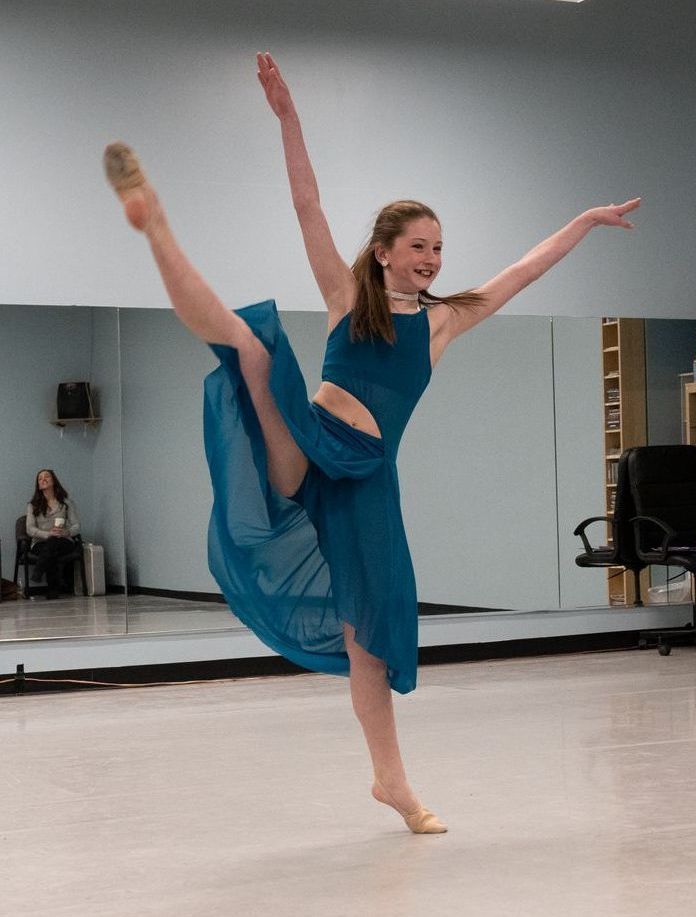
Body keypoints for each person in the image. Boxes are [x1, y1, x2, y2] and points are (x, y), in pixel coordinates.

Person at [103, 51, 640, 835]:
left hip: (369, 477)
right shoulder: (348, 296)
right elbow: (306, 203)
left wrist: (585, 223)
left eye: (438, 248)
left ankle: (390, 779)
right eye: (418, 246)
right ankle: (156, 230)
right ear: (385, 250)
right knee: (251, 347)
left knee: (372, 642)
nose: (431, 259)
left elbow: (524, 270)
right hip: (312, 442)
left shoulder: (445, 320)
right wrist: (288, 117)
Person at [25, 469, 80, 600]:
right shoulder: (32, 505)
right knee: (51, 547)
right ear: (38, 485)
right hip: (40, 542)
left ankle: (39, 572)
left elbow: (76, 526)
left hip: (64, 541)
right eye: (40, 478)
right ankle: (53, 590)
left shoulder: (66, 503)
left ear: (53, 480)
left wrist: (67, 532)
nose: (43, 479)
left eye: (46, 477)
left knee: (53, 543)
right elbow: (30, 529)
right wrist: (47, 534)